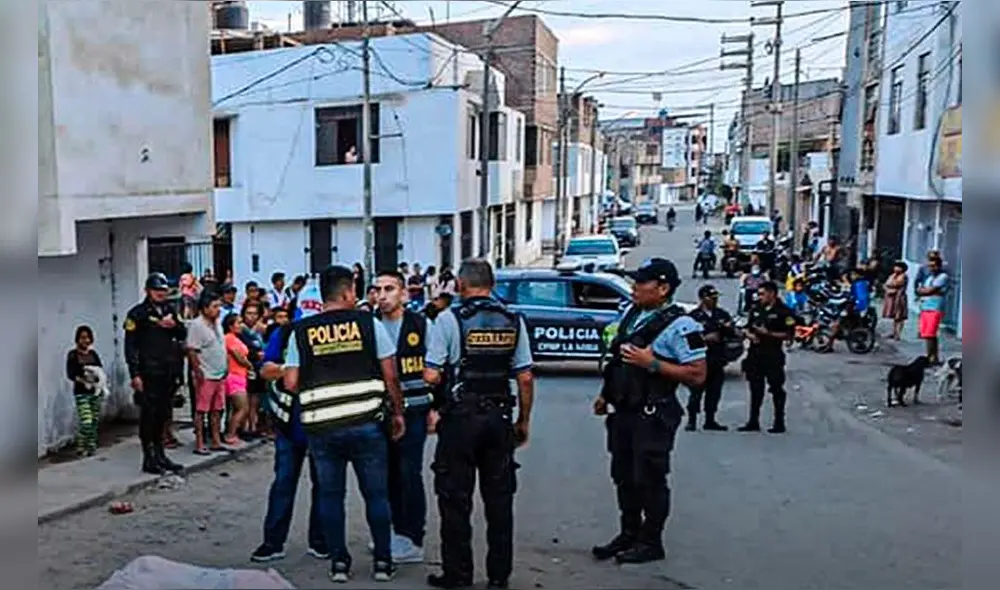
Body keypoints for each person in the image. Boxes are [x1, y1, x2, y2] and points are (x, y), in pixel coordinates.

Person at [281, 264, 406, 583]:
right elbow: (390, 374)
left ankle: (339, 563)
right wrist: (398, 413)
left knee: (330, 496)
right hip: (366, 424)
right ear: (349, 291)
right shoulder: (369, 323)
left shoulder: (301, 331)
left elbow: (291, 382)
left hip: (323, 429)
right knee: (376, 495)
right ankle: (382, 562)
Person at [422, 258, 535, 589]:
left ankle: (458, 576)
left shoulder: (448, 319)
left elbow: (432, 374)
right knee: (500, 500)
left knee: (455, 500)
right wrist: (523, 420)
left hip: (460, 419)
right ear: (493, 284)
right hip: (499, 417)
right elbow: (525, 377)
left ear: (460, 284)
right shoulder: (513, 319)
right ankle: (499, 577)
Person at [591, 258, 707, 564]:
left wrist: (652, 363)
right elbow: (619, 359)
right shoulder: (632, 314)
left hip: (654, 413)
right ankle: (628, 534)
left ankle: (651, 541)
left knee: (650, 478)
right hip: (624, 411)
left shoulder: (683, 325)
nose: (634, 288)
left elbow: (697, 374)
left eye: (641, 283)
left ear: (663, 288)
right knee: (624, 476)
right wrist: (605, 395)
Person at [251, 292, 329, 564]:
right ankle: (273, 542)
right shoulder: (284, 335)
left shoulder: (333, 335)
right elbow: (265, 369)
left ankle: (320, 541)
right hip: (289, 424)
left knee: (323, 485)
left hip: (322, 423)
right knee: (283, 483)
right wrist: (291, 368)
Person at [371, 270, 438, 564]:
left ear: (404, 294)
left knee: (409, 472)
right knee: (385, 475)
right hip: (380, 412)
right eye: (377, 289)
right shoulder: (368, 325)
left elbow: (440, 366)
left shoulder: (422, 325)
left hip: (415, 411)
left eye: (389, 289)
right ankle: (392, 533)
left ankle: (413, 536)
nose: (382, 295)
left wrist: (438, 408)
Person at [124, 272, 187, 474]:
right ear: (147, 291)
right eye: (157, 290)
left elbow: (183, 333)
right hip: (148, 371)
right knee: (148, 415)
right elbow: (130, 346)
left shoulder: (170, 310)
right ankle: (148, 457)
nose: (161, 293)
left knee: (163, 414)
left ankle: (161, 454)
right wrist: (134, 374)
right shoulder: (138, 314)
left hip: (167, 371)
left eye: (163, 290)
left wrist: (174, 325)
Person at [738, 281, 795, 434]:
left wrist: (767, 334)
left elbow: (789, 335)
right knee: (755, 389)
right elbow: (747, 327)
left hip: (773, 354)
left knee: (776, 389)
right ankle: (753, 421)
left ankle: (779, 422)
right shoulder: (756, 309)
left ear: (772, 294)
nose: (760, 297)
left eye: (763, 294)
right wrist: (749, 334)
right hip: (755, 354)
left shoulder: (785, 312)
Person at [685, 285, 733, 432]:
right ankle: (692, 420)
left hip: (717, 359)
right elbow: (688, 339)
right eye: (711, 297)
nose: (715, 300)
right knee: (696, 391)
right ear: (702, 298)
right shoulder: (694, 316)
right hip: (700, 359)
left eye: (716, 297)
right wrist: (705, 339)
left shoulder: (722, 314)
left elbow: (732, 333)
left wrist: (728, 329)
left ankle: (710, 419)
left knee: (714, 392)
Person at [186, 292, 228, 454]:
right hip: (206, 374)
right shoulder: (197, 325)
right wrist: (198, 372)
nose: (218, 310)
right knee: (201, 410)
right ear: (204, 309)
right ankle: (199, 443)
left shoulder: (217, 324)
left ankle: (216, 440)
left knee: (217, 409)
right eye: (215, 306)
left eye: (219, 306)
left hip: (219, 373)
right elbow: (192, 350)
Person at [66, 325, 105, 457]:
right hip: (81, 393)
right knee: (86, 421)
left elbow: (100, 370)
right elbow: (71, 374)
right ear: (77, 339)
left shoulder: (93, 354)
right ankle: (82, 443)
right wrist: (84, 382)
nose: (86, 340)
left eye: (88, 338)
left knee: (94, 421)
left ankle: (90, 446)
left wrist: (97, 384)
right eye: (83, 338)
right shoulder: (72, 355)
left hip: (95, 392)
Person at [222, 313, 253, 448]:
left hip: (241, 375)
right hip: (234, 375)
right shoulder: (229, 338)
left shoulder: (237, 338)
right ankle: (230, 434)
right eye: (238, 323)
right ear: (230, 326)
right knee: (243, 408)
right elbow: (238, 356)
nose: (241, 326)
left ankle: (232, 433)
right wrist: (249, 365)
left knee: (237, 408)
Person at [915, 255, 950, 365]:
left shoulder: (943, 277)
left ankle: (932, 357)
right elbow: (920, 289)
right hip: (925, 306)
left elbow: (930, 290)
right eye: (930, 266)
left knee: (930, 333)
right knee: (927, 334)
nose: (931, 268)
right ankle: (931, 355)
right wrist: (923, 291)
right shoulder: (929, 278)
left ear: (939, 266)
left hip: (934, 307)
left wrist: (924, 291)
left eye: (934, 266)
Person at [881, 261, 909, 340]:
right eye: (895, 267)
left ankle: (898, 334)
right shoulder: (892, 275)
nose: (896, 268)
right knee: (894, 317)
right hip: (892, 298)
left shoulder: (903, 276)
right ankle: (894, 332)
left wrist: (888, 286)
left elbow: (895, 283)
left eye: (898, 267)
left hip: (899, 298)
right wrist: (887, 288)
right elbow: (885, 284)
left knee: (899, 316)